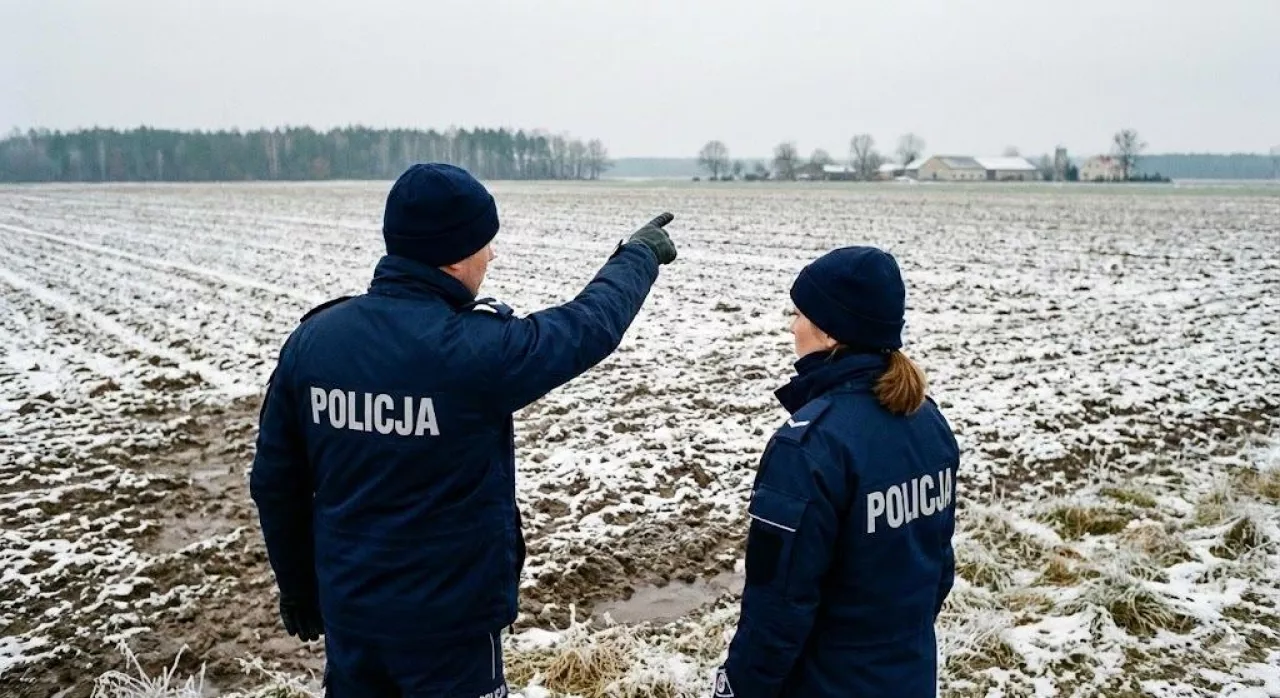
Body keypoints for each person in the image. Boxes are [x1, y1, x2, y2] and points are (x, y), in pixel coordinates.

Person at [249, 163, 678, 698]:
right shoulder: (473, 351)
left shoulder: (313, 341)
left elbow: (274, 482)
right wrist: (636, 258)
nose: (491, 255)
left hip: (352, 617)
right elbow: (586, 327)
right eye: (485, 243)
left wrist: (299, 589)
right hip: (450, 633)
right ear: (453, 255)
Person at [714, 247, 959, 698]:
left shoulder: (808, 448)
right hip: (909, 677)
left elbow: (777, 609)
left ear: (829, 332)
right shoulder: (928, 421)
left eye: (800, 315)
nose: (792, 327)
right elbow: (939, 569)